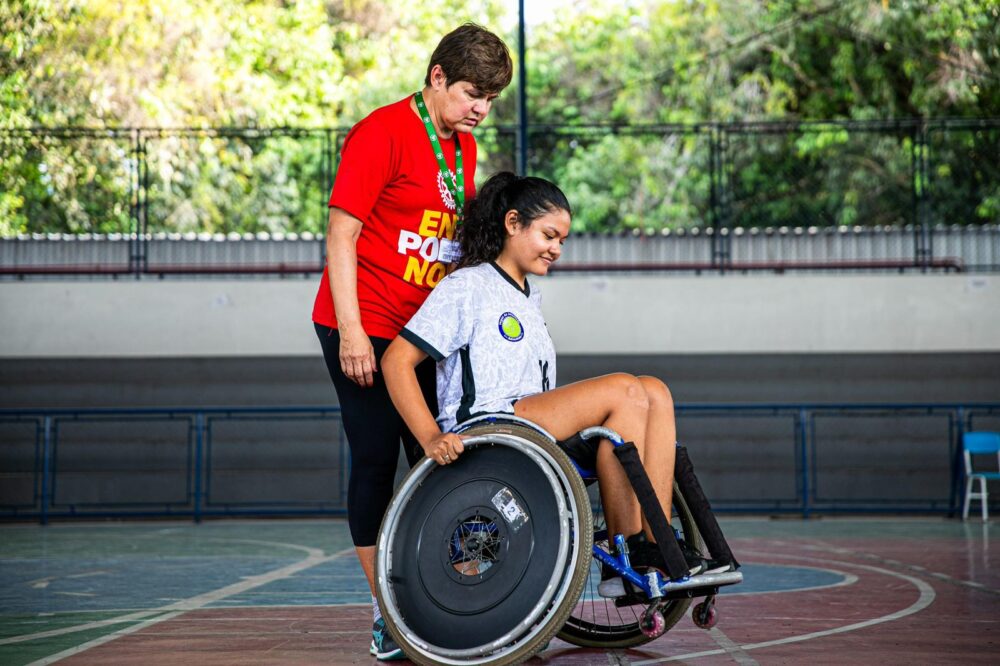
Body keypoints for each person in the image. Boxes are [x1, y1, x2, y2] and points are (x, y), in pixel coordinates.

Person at [382, 172, 737, 602]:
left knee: (654, 391)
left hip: (535, 427)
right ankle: (631, 554)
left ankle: (654, 540)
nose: (557, 248)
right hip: (490, 427)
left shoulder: (528, 298)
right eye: (549, 235)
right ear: (513, 224)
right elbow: (396, 360)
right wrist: (430, 437)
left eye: (562, 240)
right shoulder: (467, 285)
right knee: (625, 389)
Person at [311, 24, 512, 661]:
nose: (480, 108)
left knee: (437, 457)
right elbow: (341, 237)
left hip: (421, 333)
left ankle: (454, 598)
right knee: (376, 460)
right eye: (472, 92)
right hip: (363, 324)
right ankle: (386, 613)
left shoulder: (463, 148)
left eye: (489, 98)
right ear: (436, 78)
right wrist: (351, 333)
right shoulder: (382, 133)